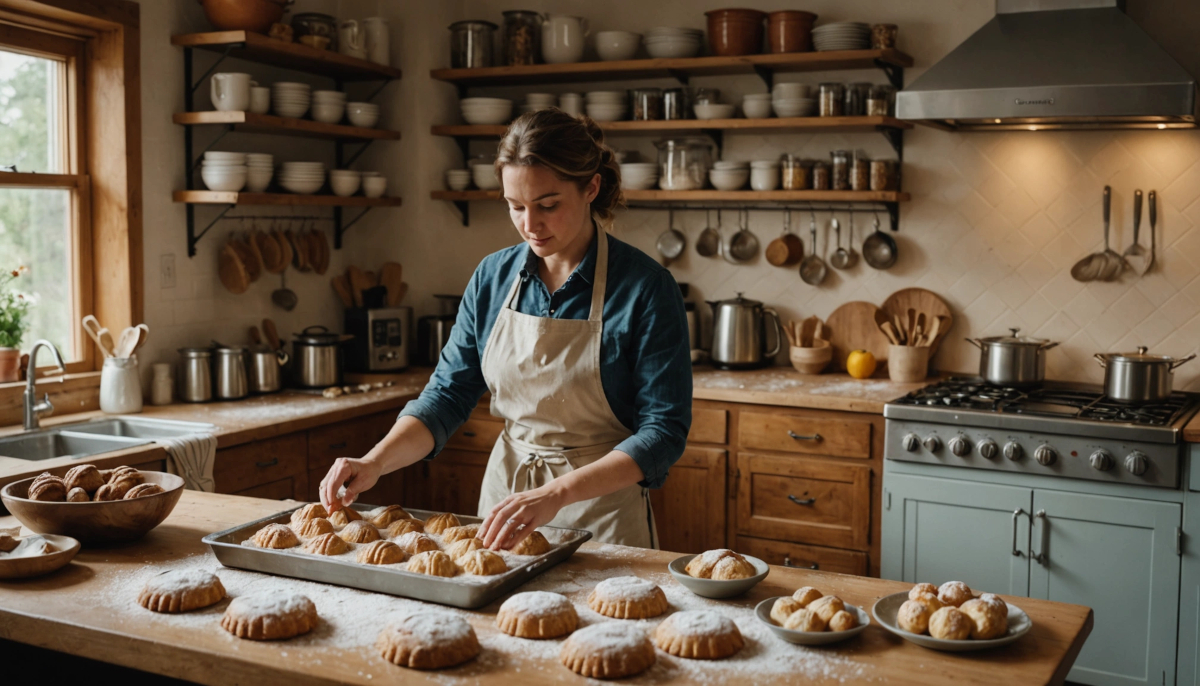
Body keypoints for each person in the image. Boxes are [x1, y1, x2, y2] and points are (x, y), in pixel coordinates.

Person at [319, 108, 692, 551]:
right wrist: (375, 461)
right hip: (506, 507)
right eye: (516, 206)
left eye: (548, 205)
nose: (530, 225)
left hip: (602, 512)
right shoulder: (492, 277)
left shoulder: (646, 287)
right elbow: (447, 396)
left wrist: (559, 492)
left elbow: (663, 432)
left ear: (591, 187)